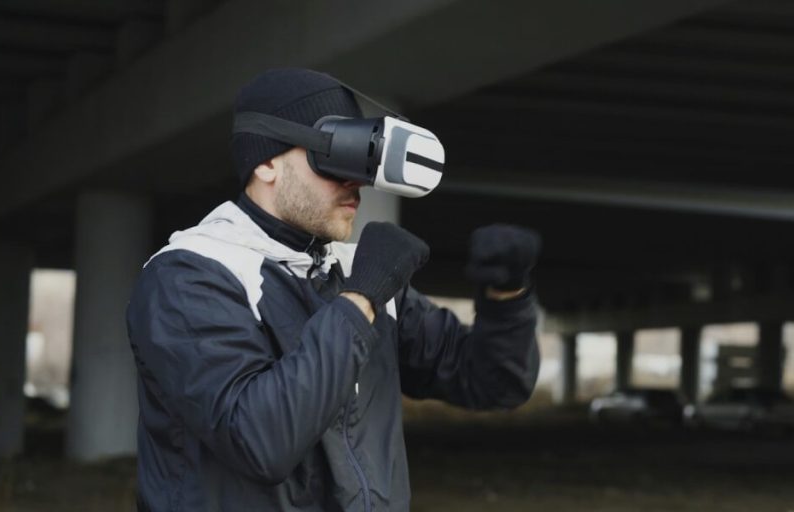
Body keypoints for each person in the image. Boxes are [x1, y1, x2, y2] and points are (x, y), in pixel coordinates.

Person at [125, 68, 541, 511]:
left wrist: (506, 298)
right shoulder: (191, 276)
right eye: (334, 157)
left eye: (361, 163)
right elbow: (258, 440)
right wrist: (360, 298)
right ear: (265, 162)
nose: (354, 181)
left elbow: (491, 382)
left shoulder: (348, 272)